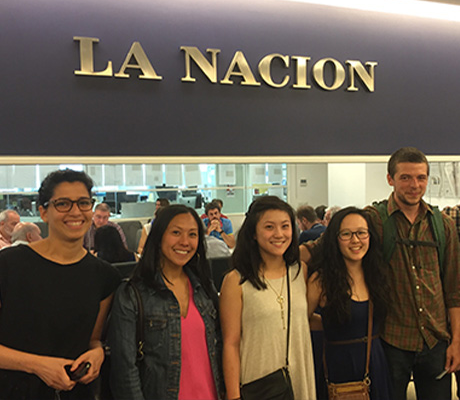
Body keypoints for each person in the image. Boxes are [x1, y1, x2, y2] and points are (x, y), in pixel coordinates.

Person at [302, 147, 460, 400]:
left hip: (436, 341)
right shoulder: (373, 219)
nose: (414, 185)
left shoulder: (443, 225)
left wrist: (456, 341)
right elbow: (321, 245)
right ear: (390, 179)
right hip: (392, 342)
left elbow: (453, 290)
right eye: (405, 177)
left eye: (421, 177)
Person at [0, 169, 120, 399]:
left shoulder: (104, 276)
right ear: (43, 212)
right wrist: (37, 365)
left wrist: (97, 353)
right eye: (63, 203)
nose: (75, 211)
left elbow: (91, 340)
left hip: (73, 393)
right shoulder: (8, 265)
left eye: (84, 203)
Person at [109, 204, 223, 400]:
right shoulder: (132, 294)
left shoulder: (204, 289)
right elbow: (125, 370)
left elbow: (219, 347)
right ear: (159, 236)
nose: (185, 242)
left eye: (193, 234)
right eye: (176, 232)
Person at [220, 195, 316, 400]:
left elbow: (302, 321)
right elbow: (230, 343)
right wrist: (233, 395)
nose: (279, 234)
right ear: (253, 233)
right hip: (259, 382)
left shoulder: (300, 272)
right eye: (269, 227)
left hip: (299, 376)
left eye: (285, 226)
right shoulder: (236, 281)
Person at [307, 207, 392, 400]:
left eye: (361, 233)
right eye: (346, 234)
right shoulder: (321, 280)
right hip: (338, 365)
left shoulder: (378, 274)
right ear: (335, 239)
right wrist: (330, 322)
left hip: (375, 362)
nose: (355, 240)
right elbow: (301, 320)